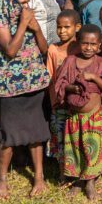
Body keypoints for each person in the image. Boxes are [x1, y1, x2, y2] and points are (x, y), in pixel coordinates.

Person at [0, 0, 50, 199]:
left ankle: (39, 177)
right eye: (20, 3)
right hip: (10, 87)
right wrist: (24, 25)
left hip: (34, 83)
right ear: (8, 1)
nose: (24, 8)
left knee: (36, 133)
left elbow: (44, 50)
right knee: (9, 136)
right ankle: (1, 179)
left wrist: (35, 29)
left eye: (26, 3)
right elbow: (10, 50)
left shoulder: (27, 18)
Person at [45, 10, 81, 163]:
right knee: (60, 135)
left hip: (78, 101)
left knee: (76, 134)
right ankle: (62, 170)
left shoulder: (81, 47)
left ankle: (78, 165)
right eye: (59, 27)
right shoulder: (53, 49)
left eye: (67, 27)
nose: (62, 31)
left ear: (77, 27)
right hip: (59, 102)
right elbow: (50, 77)